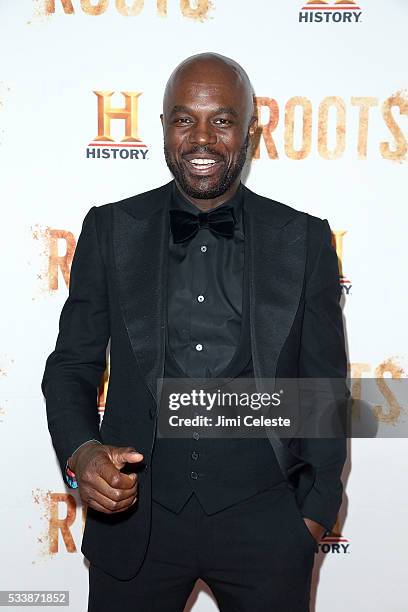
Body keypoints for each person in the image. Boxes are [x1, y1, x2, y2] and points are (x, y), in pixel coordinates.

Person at [41, 52, 348, 612]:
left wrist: (312, 514)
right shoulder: (110, 230)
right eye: (184, 120)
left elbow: (324, 386)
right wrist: (81, 451)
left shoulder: (302, 239)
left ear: (249, 130)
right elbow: (71, 365)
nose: (201, 138)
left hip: (269, 526)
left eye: (222, 120)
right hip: (135, 526)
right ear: (162, 127)